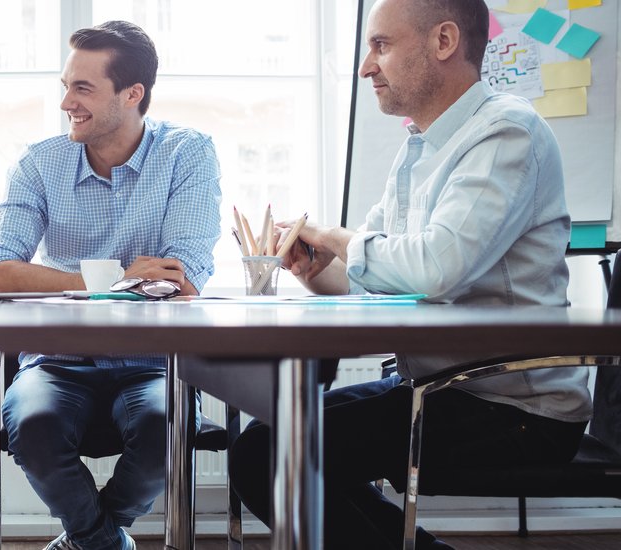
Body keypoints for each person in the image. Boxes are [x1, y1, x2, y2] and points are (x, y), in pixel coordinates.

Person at [226, 1, 592, 548]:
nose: (366, 67)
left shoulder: (507, 134)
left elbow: (436, 267)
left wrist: (334, 238)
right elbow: (378, 276)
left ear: (444, 42)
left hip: (512, 410)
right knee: (267, 443)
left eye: (381, 46)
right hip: (439, 388)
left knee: (267, 455)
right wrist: (316, 271)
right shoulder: (417, 148)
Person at [0, 21, 222, 550]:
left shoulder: (187, 154)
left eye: (82, 88)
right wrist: (112, 281)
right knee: (33, 426)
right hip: (56, 360)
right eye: (66, 86)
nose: (66, 102)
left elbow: (183, 279)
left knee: (167, 427)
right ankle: (106, 543)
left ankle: (88, 540)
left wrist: (65, 282)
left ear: (133, 94)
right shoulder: (41, 163)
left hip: (154, 361)